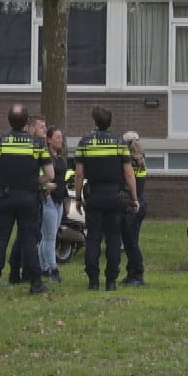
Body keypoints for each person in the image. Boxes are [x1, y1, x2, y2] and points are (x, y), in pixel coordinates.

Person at [0, 104, 51, 297]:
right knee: (29, 241)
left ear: (9, 121)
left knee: (0, 240)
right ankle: (36, 284)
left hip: (5, 197)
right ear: (26, 123)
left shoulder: (0, 141)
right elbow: (50, 174)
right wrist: (35, 182)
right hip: (28, 197)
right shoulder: (36, 144)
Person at [74, 106, 137, 291]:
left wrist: (78, 198)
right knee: (114, 239)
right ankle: (111, 281)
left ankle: (93, 281)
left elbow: (79, 175)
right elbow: (129, 174)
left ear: (94, 123)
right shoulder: (119, 143)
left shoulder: (84, 143)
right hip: (115, 197)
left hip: (94, 196)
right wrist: (134, 198)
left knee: (93, 238)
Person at [10, 116, 50, 284]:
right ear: (31, 128)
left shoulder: (38, 146)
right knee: (28, 238)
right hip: (30, 195)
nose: (45, 130)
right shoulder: (34, 147)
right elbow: (40, 173)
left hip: (33, 194)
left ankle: (17, 270)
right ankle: (25, 272)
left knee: (23, 237)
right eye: (42, 127)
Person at [39, 126, 71, 283]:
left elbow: (63, 179)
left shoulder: (60, 158)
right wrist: (45, 185)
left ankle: (43, 267)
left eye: (61, 137)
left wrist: (65, 200)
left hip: (59, 200)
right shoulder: (44, 157)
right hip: (48, 200)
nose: (61, 140)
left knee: (48, 236)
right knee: (50, 237)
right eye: (57, 137)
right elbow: (37, 175)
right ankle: (53, 269)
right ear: (49, 139)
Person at [119, 130, 150, 288]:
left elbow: (128, 184)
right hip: (140, 203)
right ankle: (131, 273)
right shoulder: (141, 160)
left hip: (132, 205)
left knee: (130, 242)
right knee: (133, 241)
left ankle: (137, 274)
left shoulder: (129, 162)